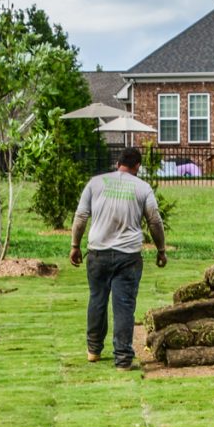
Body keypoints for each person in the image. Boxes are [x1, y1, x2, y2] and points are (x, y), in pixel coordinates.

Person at [69, 144, 168, 369]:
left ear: (117, 164)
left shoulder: (95, 183)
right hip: (128, 256)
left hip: (97, 252)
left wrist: (75, 245)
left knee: (97, 299)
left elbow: (81, 216)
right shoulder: (143, 188)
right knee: (124, 305)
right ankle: (123, 358)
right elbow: (154, 220)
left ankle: (93, 350)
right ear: (137, 167)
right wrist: (161, 250)